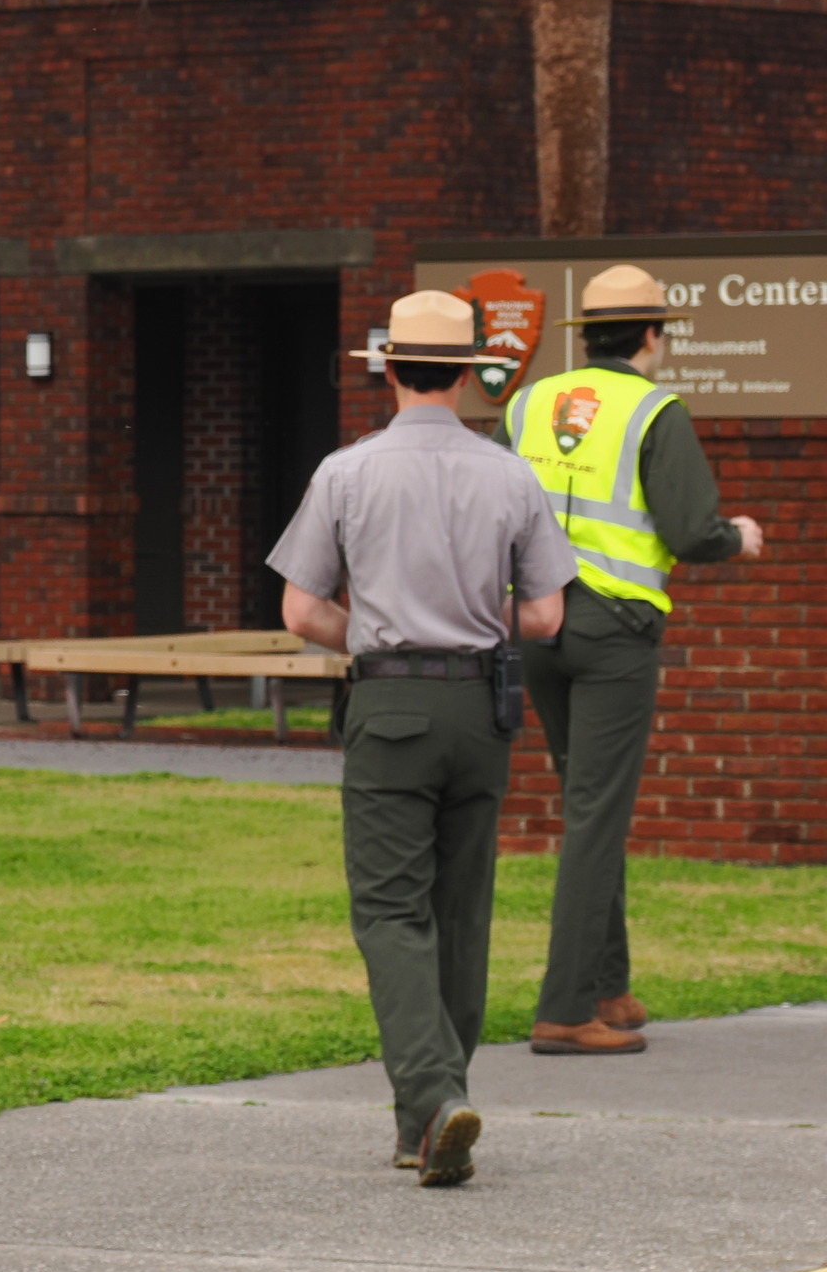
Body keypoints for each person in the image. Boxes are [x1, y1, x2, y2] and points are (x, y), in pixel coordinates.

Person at [268, 290, 576, 1186]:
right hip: (482, 708)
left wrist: (365, 632)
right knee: (460, 912)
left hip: (392, 705)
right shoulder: (511, 474)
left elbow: (299, 608)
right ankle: (427, 1122)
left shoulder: (346, 473)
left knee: (391, 912)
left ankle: (436, 1097)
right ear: (469, 373)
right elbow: (549, 614)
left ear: (392, 369)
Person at [506, 265, 766, 1056]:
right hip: (613, 631)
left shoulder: (526, 403)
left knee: (588, 804)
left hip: (536, 622)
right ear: (653, 334)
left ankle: (608, 988)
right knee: (596, 812)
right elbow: (690, 531)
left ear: (584, 336)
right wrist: (738, 538)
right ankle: (564, 1009)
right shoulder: (657, 409)